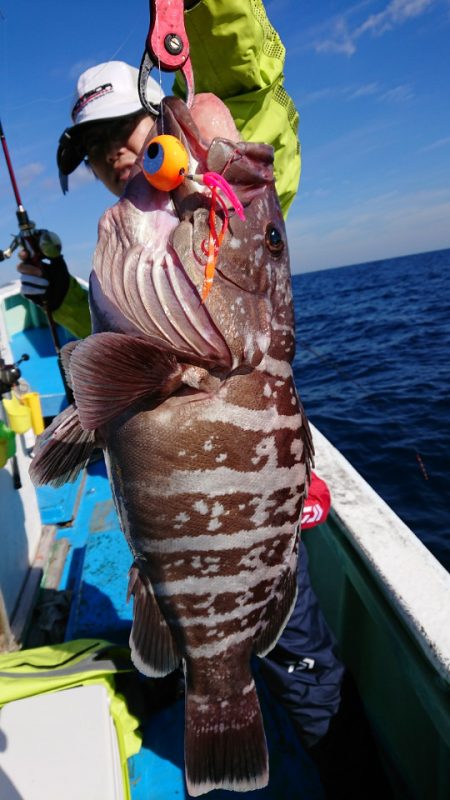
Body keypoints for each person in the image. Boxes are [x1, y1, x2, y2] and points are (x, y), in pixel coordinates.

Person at [16, 1, 363, 794]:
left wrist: (205, 7)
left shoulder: (217, 204)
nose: (114, 159)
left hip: (254, 533)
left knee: (306, 667)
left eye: (124, 135)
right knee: (192, 632)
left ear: (158, 117)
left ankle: (350, 774)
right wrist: (66, 291)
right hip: (172, 534)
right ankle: (211, 689)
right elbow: (130, 342)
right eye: (96, 152)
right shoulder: (131, 245)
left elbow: (250, 95)